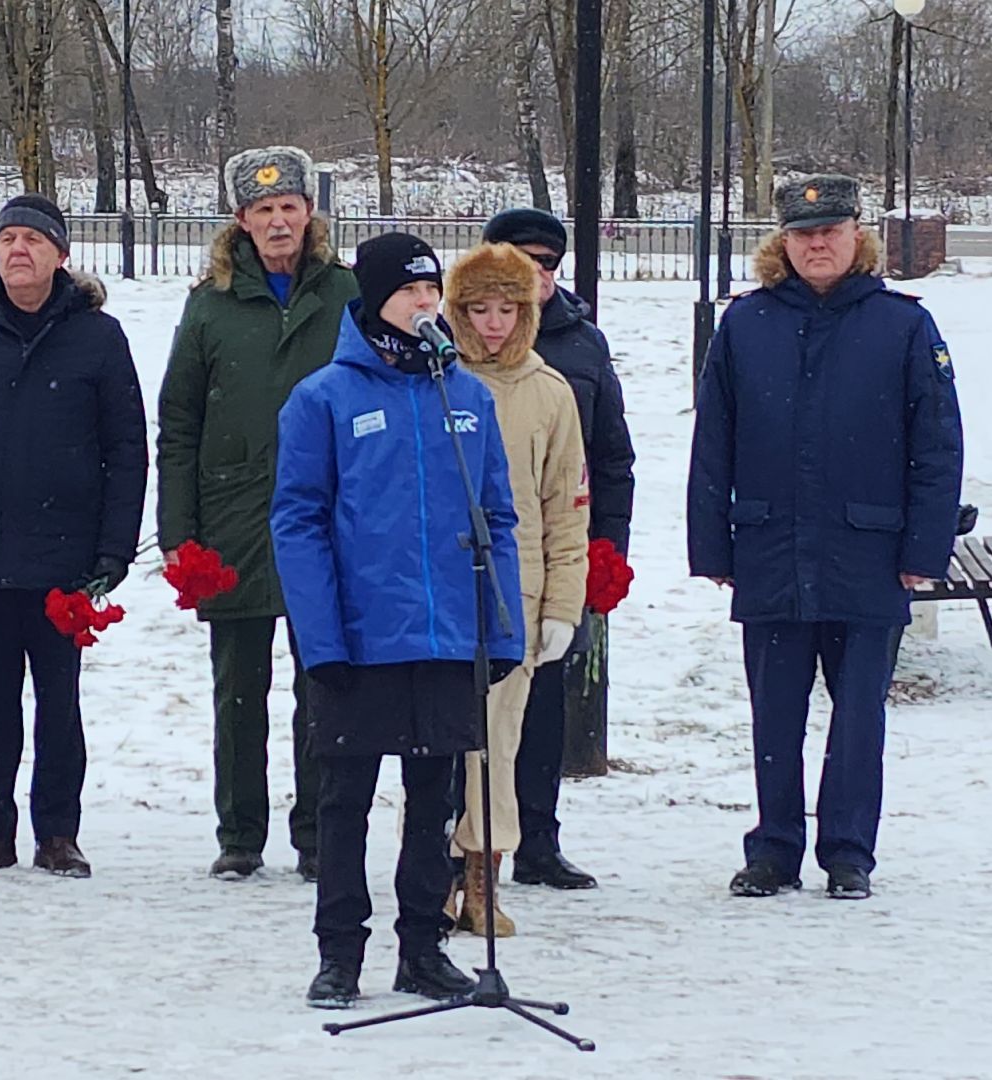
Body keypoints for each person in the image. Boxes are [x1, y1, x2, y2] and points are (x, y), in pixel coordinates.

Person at [686, 175, 964, 901]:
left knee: (859, 713)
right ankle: (773, 848)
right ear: (782, 242)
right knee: (773, 713)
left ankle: (848, 852)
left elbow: (936, 448)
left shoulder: (901, 326)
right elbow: (713, 440)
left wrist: (922, 554)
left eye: (830, 232)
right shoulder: (745, 324)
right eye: (803, 234)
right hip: (771, 548)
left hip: (867, 553)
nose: (817, 244)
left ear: (856, 238)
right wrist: (713, 547)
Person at [272, 232, 523, 1009]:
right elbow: (298, 521)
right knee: (344, 798)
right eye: (409, 292)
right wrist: (322, 638)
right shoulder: (324, 397)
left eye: (429, 291)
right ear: (374, 300)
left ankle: (422, 947)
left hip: (447, 633)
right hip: (359, 636)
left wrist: (502, 627)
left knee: (434, 795)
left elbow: (498, 518)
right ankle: (339, 952)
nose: (425, 304)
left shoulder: (467, 396)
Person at [0, 194, 147, 881]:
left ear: (61, 256)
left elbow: (125, 447)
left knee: (58, 700)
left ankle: (58, 831)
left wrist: (113, 547)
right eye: (8, 238)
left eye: (34, 241)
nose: (19, 250)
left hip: (65, 556)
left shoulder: (97, 336)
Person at [157, 146, 358, 882]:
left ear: (310, 214)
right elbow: (177, 422)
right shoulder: (210, 304)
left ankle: (317, 833)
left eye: (289, 207)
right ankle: (240, 833)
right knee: (237, 691)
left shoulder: (345, 295)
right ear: (240, 220)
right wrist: (178, 533)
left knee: (324, 685)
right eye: (263, 210)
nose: (278, 222)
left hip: (326, 520)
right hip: (231, 520)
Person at [481, 207, 635, 891]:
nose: (534, 276)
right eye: (520, 261)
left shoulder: (580, 345)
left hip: (554, 556)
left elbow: (610, 459)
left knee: (545, 707)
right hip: (480, 558)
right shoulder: (459, 343)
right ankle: (469, 839)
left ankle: (537, 840)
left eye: (546, 264)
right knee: (477, 709)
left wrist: (607, 553)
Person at [440, 242, 588, 937]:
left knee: (499, 741)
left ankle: (482, 876)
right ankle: (434, 872)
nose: (493, 324)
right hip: (439, 588)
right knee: (439, 741)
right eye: (478, 309)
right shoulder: (432, 380)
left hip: (517, 591)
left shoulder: (548, 391)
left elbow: (567, 504)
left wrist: (562, 603)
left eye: (507, 309)